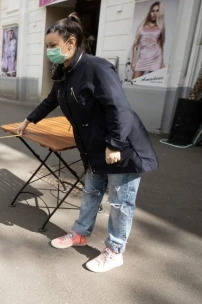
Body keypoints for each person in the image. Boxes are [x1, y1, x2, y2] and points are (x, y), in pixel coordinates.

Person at [17, 13, 158, 273]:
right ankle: (80, 233)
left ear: (70, 43)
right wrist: (29, 119)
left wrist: (115, 144)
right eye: (47, 46)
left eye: (52, 45)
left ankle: (114, 251)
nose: (49, 51)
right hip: (94, 146)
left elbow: (119, 108)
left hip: (122, 147)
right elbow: (52, 100)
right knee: (91, 192)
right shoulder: (64, 72)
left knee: (119, 202)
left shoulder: (97, 68)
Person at [131, 2, 165, 79]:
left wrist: (162, 62)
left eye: (157, 11)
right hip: (143, 57)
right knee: (134, 82)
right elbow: (135, 45)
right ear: (150, 12)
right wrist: (133, 61)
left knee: (152, 82)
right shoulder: (141, 27)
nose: (155, 13)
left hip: (156, 58)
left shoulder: (160, 28)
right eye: (153, 11)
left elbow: (160, 46)